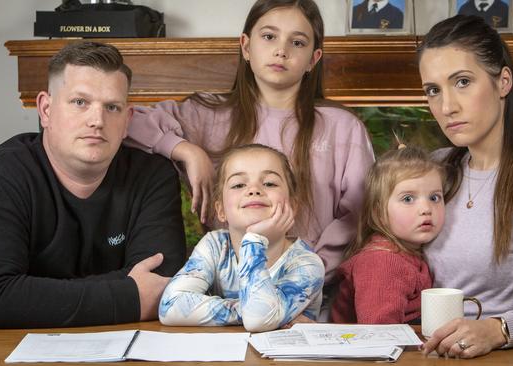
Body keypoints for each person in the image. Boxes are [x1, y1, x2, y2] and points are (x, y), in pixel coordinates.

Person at [125, 0, 375, 290]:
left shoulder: (342, 126)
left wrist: (306, 273)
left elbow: (359, 215)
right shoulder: (205, 114)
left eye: (297, 42)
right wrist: (186, 150)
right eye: (269, 37)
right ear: (246, 46)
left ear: (313, 58)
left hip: (310, 290)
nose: (281, 50)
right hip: (227, 292)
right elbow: (121, 122)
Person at [0, 41, 186, 328]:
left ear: (127, 120)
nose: (97, 120)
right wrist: (127, 294)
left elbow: (160, 286)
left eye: (112, 107)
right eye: (80, 102)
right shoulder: (0, 176)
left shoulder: (153, 176)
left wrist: (29, 293)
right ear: (45, 109)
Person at [417, 15, 513, 358]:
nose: (446, 107)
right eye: (433, 90)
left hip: (506, 357)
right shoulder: (435, 170)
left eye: (462, 82)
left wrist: (498, 328)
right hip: (425, 354)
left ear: (503, 82)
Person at [159, 144, 325, 332]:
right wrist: (244, 309)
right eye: (239, 185)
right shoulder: (215, 246)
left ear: (293, 206)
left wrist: (254, 240)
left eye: (269, 183)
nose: (254, 190)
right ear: (221, 210)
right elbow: (170, 306)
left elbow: (258, 321)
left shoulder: (307, 264)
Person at [331, 145, 444, 324]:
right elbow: (380, 334)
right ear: (379, 213)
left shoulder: (407, 252)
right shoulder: (383, 261)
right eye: (408, 199)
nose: (426, 209)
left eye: (434, 198)